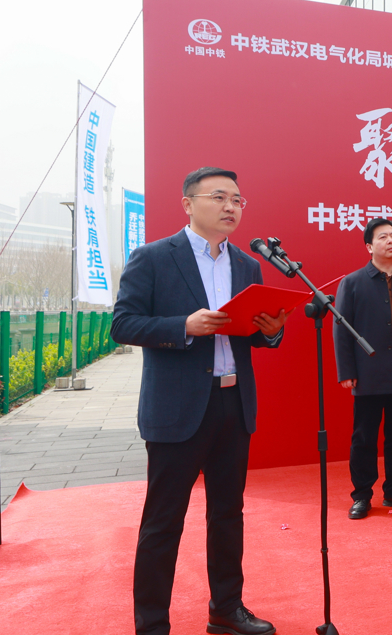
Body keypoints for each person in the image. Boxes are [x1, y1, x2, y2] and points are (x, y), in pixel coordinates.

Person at [112, 167, 287, 635]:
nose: (231, 207)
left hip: (233, 404)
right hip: (178, 408)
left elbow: (252, 331)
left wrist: (271, 331)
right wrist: (182, 327)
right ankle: (152, 624)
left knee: (228, 514)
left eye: (237, 199)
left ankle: (226, 609)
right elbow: (122, 324)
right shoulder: (153, 257)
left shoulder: (247, 265)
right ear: (188, 204)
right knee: (163, 521)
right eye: (219, 197)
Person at [333, 218, 392, 520]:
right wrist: (347, 371)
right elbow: (341, 330)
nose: (391, 241)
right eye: (383, 237)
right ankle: (362, 495)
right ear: (369, 246)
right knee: (364, 438)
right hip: (368, 374)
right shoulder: (352, 282)